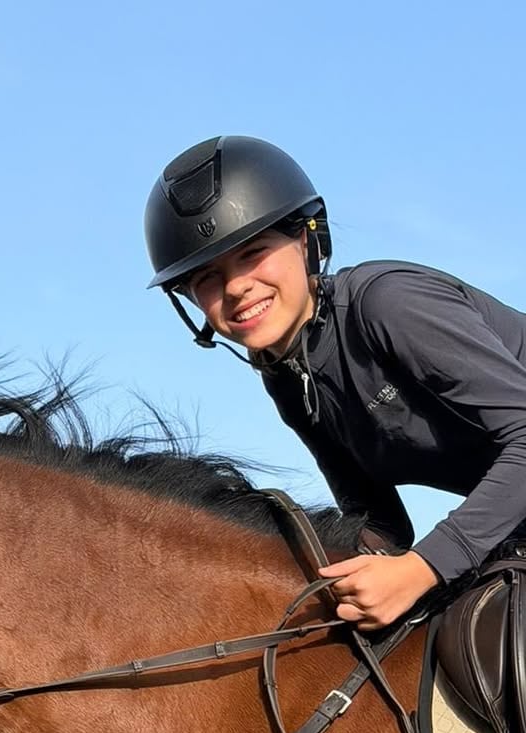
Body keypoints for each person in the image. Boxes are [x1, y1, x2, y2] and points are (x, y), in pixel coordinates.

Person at [143, 135, 526, 630]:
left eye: (252, 253)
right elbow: (378, 520)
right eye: (207, 279)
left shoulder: (387, 304)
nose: (235, 287)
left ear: (306, 240)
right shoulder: (284, 375)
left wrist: (423, 567)